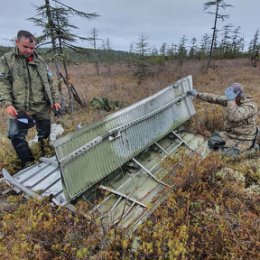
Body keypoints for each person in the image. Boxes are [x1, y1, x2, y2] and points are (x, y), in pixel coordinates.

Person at [0, 30, 61, 168]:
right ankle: (28, 162)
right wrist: (7, 104)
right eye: (25, 47)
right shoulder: (6, 60)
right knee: (15, 135)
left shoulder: (40, 61)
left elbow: (51, 81)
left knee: (44, 134)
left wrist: (55, 100)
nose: (29, 50)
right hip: (19, 108)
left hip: (41, 106)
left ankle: (46, 158)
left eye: (32, 48)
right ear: (17, 42)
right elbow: (2, 83)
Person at [188, 83, 258, 156]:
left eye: (231, 96)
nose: (229, 97)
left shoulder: (250, 106)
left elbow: (234, 116)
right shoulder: (232, 100)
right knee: (212, 141)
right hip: (231, 134)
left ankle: (252, 149)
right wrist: (197, 94)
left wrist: (231, 100)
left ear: (238, 96)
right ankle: (227, 147)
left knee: (227, 155)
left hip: (244, 139)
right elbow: (215, 98)